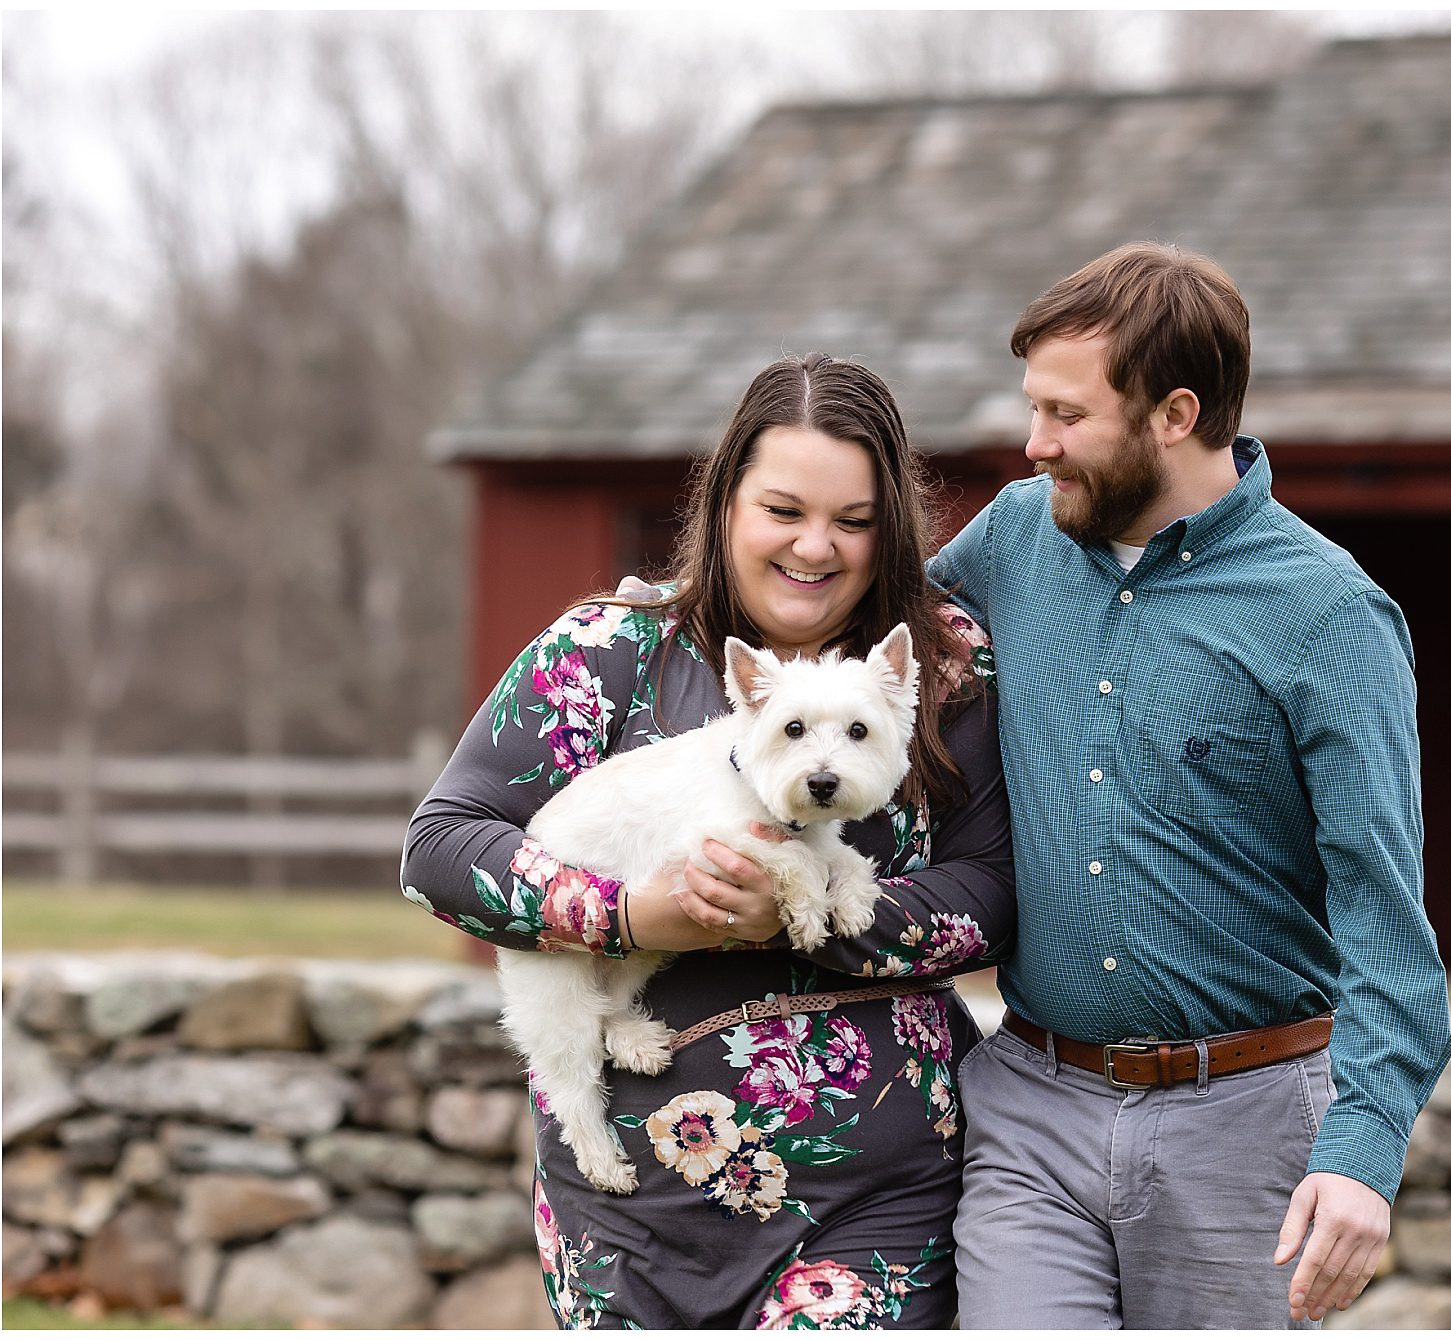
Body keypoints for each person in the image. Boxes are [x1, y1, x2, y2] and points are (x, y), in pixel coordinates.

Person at [403, 353, 1012, 1329]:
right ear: (726, 500)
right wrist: (633, 915)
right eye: (783, 509)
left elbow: (990, 897)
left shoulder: (940, 669)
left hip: (873, 1204)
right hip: (630, 1207)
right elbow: (440, 849)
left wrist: (803, 916)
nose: (815, 546)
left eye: (852, 521)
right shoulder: (605, 653)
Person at [929, 242, 1451, 1329]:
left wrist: (1360, 1154)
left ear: (1173, 413)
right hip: (1030, 1103)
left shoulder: (1327, 615)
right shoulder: (1016, 533)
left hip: (1248, 1124)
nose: (1034, 445)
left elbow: (1382, 912)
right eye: (1035, 409)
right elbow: (845, 628)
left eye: (1065, 415)